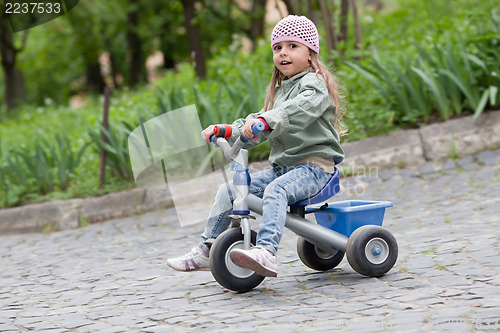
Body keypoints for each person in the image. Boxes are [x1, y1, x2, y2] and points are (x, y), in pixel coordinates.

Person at [167, 15, 346, 277]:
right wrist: (229, 130)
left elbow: (296, 111)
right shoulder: (280, 90)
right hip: (284, 169)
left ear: (310, 53)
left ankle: (266, 251)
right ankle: (208, 249)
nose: (283, 52)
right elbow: (259, 123)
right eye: (277, 48)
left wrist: (267, 120)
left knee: (276, 191)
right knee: (229, 190)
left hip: (314, 168)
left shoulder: (314, 86)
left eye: (292, 46)